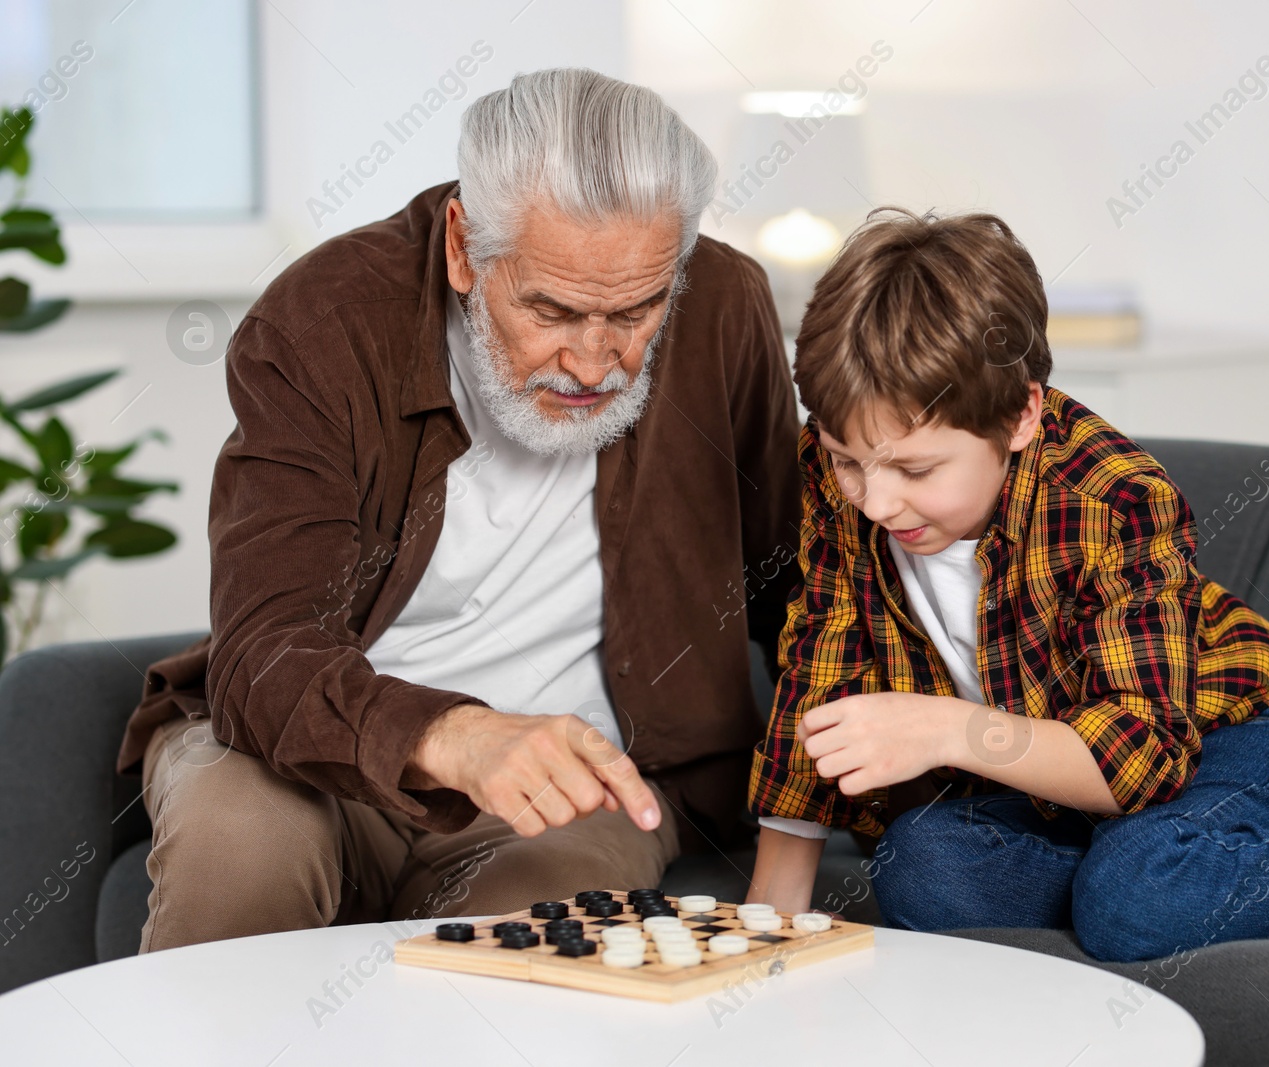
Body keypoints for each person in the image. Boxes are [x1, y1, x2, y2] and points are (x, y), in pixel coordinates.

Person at [744, 207, 1269, 961]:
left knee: (1136, 891)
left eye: (915, 468)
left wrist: (950, 729)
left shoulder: (1111, 495)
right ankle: (1169, 883)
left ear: (1021, 416)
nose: (876, 497)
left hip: (1238, 746)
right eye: (850, 460)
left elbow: (1139, 761)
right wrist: (764, 930)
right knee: (920, 863)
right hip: (1065, 802)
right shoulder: (839, 479)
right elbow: (821, 662)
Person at [118, 68, 801, 952]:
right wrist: (451, 733)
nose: (595, 364)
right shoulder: (322, 322)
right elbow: (264, 647)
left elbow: (799, 582)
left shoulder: (724, 307)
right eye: (551, 310)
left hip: (586, 779)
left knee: (527, 928)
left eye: (636, 312)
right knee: (241, 843)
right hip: (312, 750)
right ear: (463, 249)